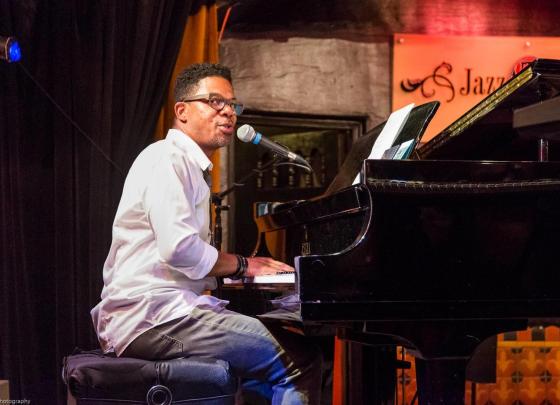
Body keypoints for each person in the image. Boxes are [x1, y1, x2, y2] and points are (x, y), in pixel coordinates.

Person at [91, 63, 323, 404]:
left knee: (260, 371)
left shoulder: (185, 165)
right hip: (153, 318)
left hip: (160, 313)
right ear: (181, 111)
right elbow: (179, 249)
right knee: (300, 360)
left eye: (232, 104)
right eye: (215, 102)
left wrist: (244, 275)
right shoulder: (166, 158)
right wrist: (245, 265)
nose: (229, 112)